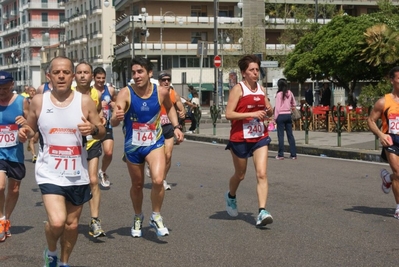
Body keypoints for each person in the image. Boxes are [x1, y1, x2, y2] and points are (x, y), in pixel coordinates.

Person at [18, 56, 105, 267]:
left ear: (73, 76)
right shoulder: (39, 101)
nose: (61, 76)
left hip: (77, 173)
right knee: (57, 222)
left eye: (66, 72)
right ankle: (51, 253)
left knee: (72, 226)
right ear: (49, 76)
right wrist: (24, 132)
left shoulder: (84, 101)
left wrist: (93, 129)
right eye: (56, 72)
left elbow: (102, 131)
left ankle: (64, 263)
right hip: (50, 171)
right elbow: (31, 129)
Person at [111, 57, 184, 238]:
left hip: (154, 143)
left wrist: (176, 127)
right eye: (133, 72)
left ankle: (156, 215)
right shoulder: (125, 93)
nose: (136, 76)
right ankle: (138, 216)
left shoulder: (161, 92)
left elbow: (171, 107)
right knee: (137, 185)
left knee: (158, 180)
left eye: (140, 71)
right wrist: (116, 117)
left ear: (149, 73)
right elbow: (113, 121)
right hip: (133, 146)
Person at [224, 55, 274, 227]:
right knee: (240, 174)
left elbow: (268, 111)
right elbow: (229, 114)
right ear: (244, 73)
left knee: (262, 173)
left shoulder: (261, 89)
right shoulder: (238, 89)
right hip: (240, 138)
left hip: (259, 136)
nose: (255, 73)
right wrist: (251, 114)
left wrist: (269, 111)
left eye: (257, 70)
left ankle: (262, 211)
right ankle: (231, 196)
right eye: (251, 70)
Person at [73, 62, 107, 238]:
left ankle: (94, 220)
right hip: (72, 143)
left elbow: (98, 112)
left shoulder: (96, 94)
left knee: (93, 179)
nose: (83, 75)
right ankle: (67, 219)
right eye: (79, 72)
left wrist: (99, 123)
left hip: (92, 141)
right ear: (74, 75)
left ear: (91, 76)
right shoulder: (68, 94)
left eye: (86, 72)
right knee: (75, 182)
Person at [0, 71, 29, 242]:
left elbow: (31, 125)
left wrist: (25, 126)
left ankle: (6, 219)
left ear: (11, 85)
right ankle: (1, 219)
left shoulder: (21, 101)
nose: (1, 92)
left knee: (14, 189)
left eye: (4, 88)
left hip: (15, 152)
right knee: (0, 186)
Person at [368, 66, 399, 219]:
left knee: (397, 175)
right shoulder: (383, 102)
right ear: (392, 80)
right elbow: (371, 120)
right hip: (391, 140)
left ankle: (387, 179)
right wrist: (380, 134)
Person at [146, 72, 185, 190]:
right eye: (164, 80)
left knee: (168, 155)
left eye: (168, 79)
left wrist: (182, 113)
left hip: (168, 126)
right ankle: (151, 166)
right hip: (154, 128)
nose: (166, 82)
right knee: (155, 155)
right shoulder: (154, 93)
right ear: (159, 81)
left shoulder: (174, 94)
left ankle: (162, 179)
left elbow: (181, 109)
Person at [93, 67, 116, 188]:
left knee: (108, 152)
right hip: (94, 127)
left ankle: (102, 171)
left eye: (103, 78)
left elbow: (117, 104)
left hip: (107, 126)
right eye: (98, 78)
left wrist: (113, 104)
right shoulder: (90, 91)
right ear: (94, 78)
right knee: (92, 155)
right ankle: (90, 177)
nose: (101, 80)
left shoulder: (110, 90)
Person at [274, 78, 297, 160]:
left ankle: (281, 154)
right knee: (290, 135)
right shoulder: (290, 93)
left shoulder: (279, 94)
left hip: (280, 115)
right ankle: (293, 154)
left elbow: (277, 107)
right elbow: (294, 103)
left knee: (281, 135)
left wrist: (275, 118)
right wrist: (289, 106)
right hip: (288, 115)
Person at [26, 86, 39, 163]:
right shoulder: (26, 101)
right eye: (30, 91)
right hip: (29, 122)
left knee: (35, 139)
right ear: (28, 92)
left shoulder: (38, 101)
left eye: (34, 91)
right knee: (31, 139)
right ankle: (34, 156)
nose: (32, 92)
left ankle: (30, 143)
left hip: (37, 122)